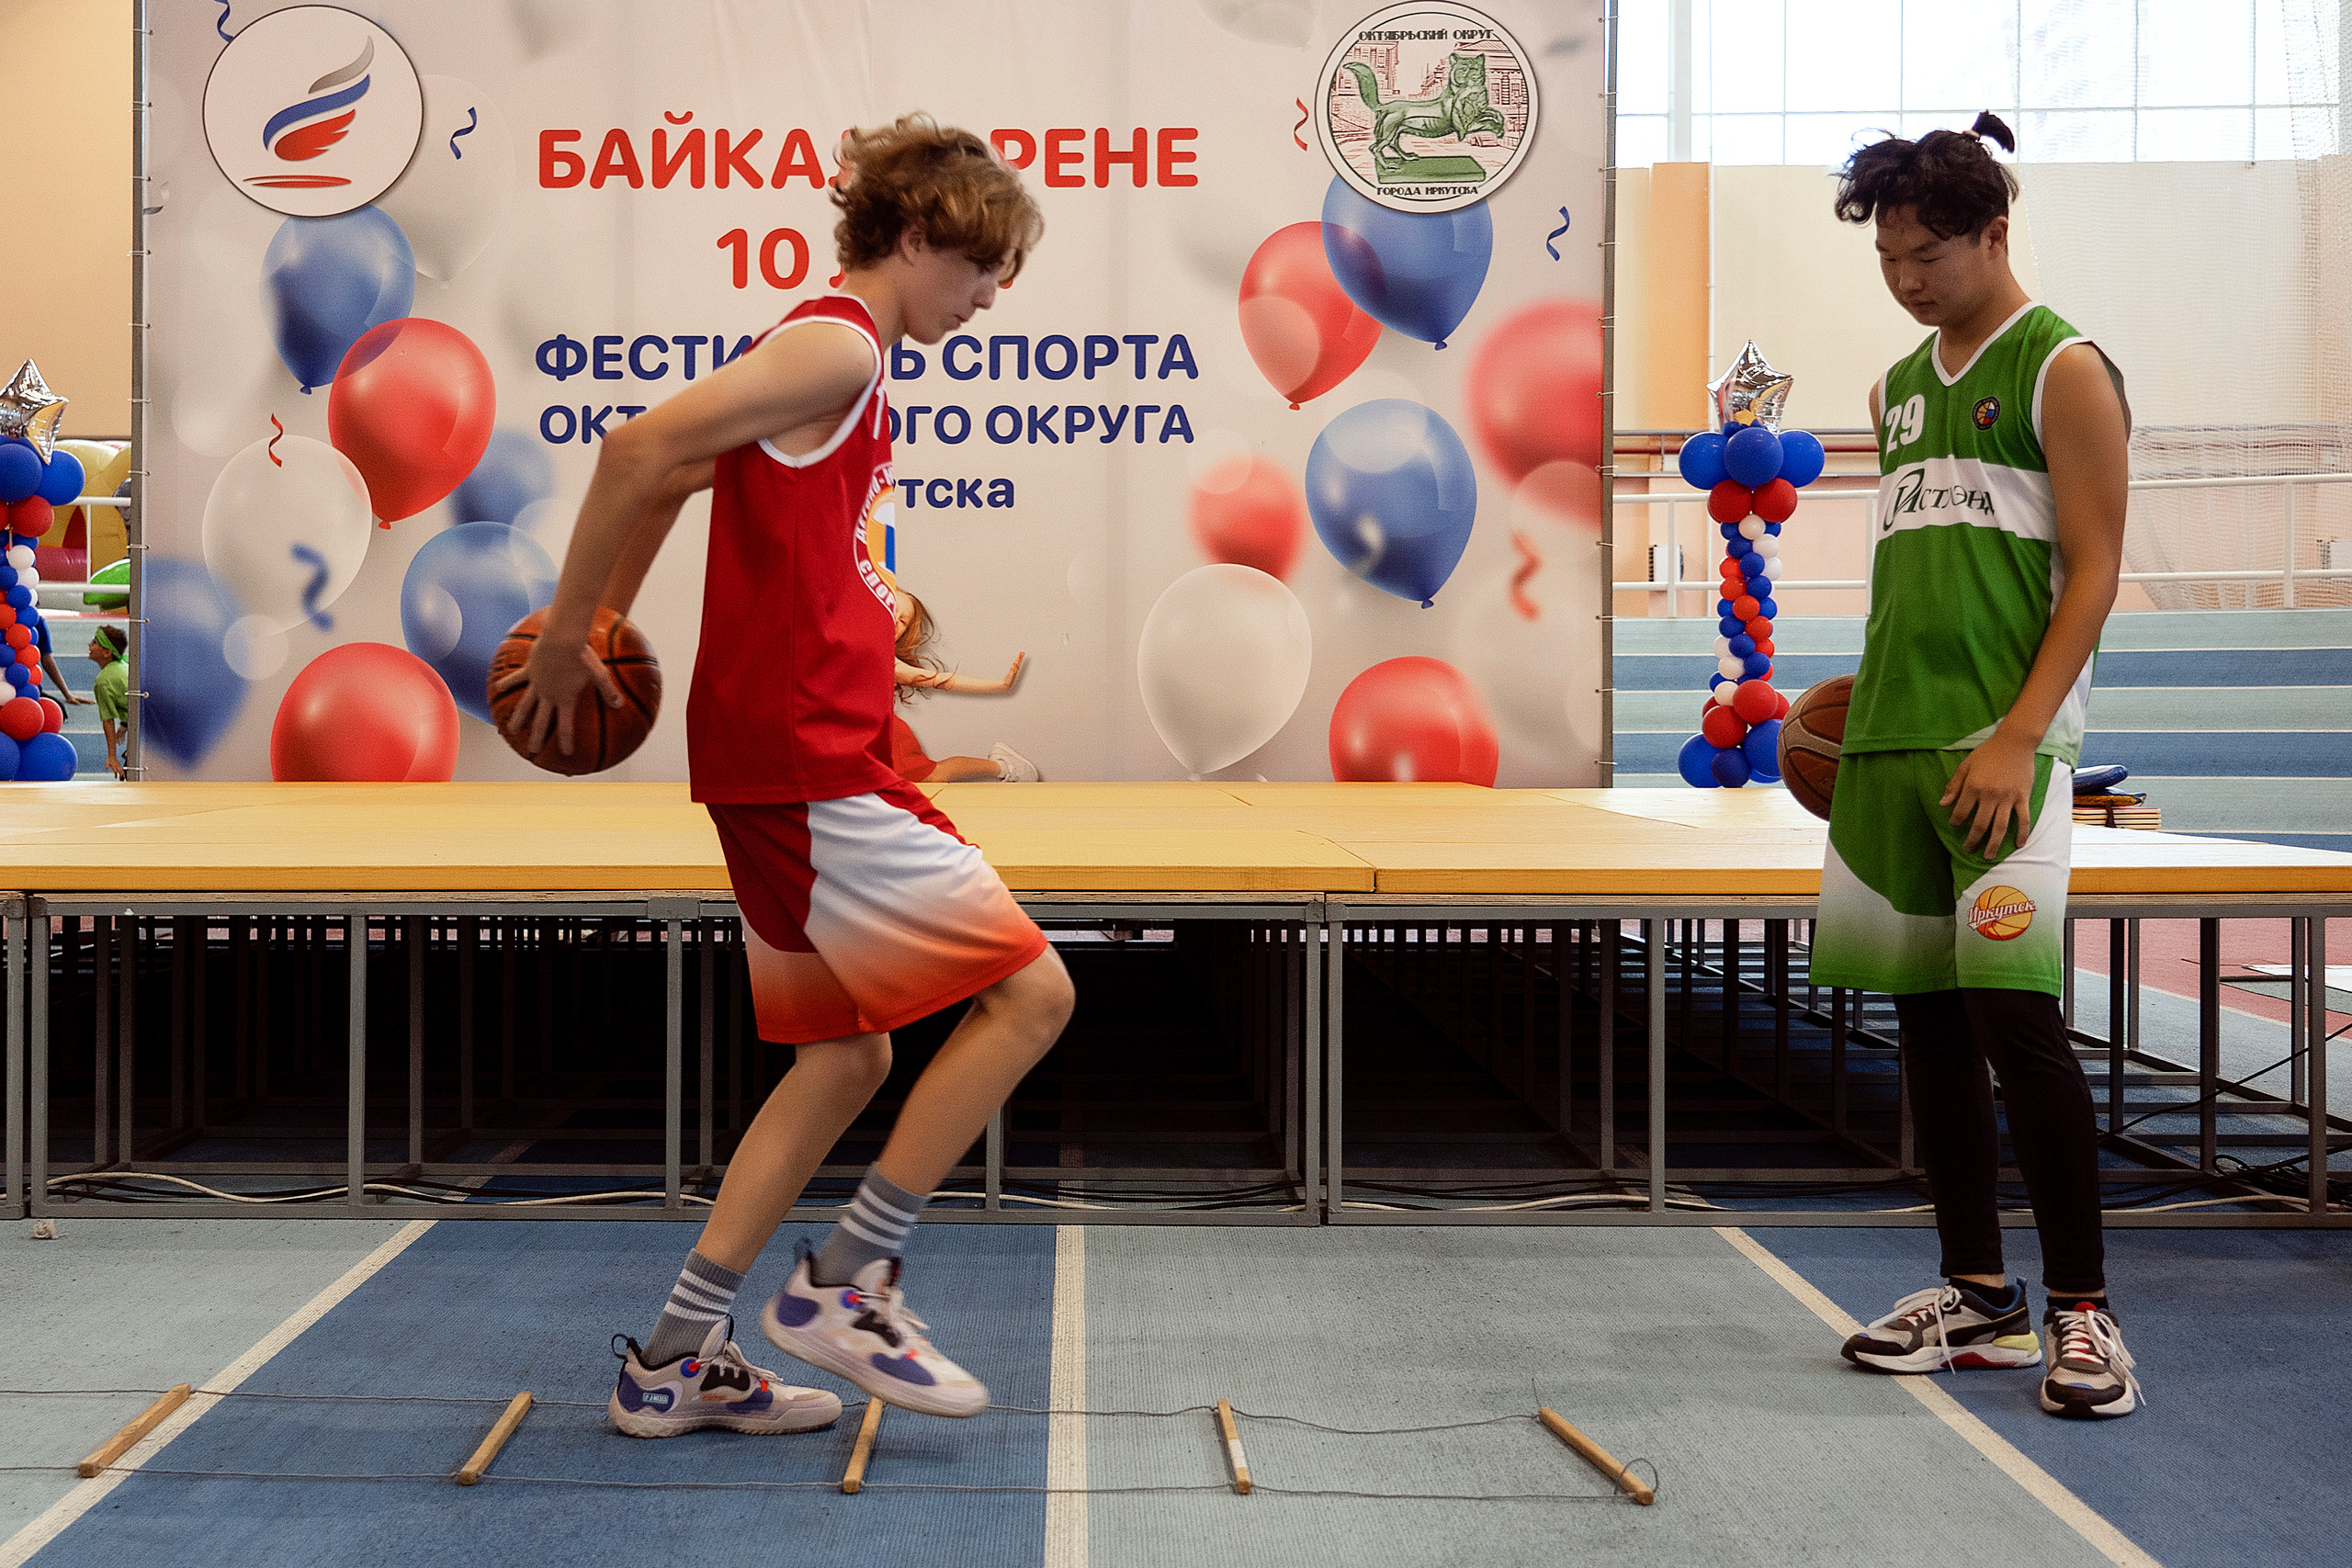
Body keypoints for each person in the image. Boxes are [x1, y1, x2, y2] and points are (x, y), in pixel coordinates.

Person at [497, 115, 1068, 1439]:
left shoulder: (828, 356)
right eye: (983, 271)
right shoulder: (841, 342)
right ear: (920, 237)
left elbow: (682, 478)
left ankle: (673, 1358)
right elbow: (633, 450)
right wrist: (577, 636)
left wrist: (604, 623)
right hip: (809, 753)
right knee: (1035, 995)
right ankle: (851, 1277)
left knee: (845, 1055)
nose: (990, 301)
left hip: (797, 750)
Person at [1812, 113, 2141, 1418]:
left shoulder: (2063, 368)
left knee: (2018, 1017)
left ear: (1995, 231)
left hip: (2005, 751)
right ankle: (1979, 1293)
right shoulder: (1896, 389)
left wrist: (2016, 733)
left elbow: (2099, 568)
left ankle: (2084, 1310)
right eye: (1889, 255)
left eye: (1929, 252)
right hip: (1894, 744)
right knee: (1929, 1024)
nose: (1907, 277)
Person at [885, 578, 1039, 784]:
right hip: (848, 733)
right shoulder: (842, 636)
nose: (896, 619)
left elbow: (943, 680)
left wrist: (999, 685)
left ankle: (1005, 766)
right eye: (892, 607)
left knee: (932, 776)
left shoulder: (884, 659)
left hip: (882, 735)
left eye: (903, 621)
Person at [88, 626, 129, 780]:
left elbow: (108, 721)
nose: (90, 645)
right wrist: (125, 726)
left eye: (95, 642)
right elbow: (130, 700)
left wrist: (112, 756)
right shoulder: (123, 664)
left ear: (107, 653)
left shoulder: (103, 681)